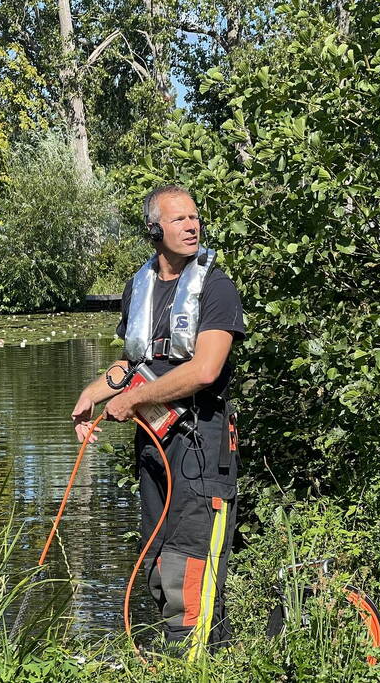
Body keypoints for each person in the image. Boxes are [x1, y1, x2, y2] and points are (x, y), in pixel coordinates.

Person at [70, 184, 245, 657]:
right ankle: (196, 658)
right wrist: (94, 394)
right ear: (154, 229)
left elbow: (205, 369)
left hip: (200, 444)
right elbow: (136, 362)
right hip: (152, 446)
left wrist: (133, 400)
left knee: (190, 561)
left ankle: (188, 661)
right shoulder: (140, 285)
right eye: (179, 219)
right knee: (156, 556)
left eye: (195, 218)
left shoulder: (216, 287)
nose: (192, 226)